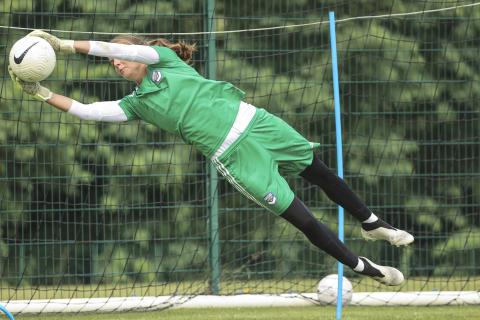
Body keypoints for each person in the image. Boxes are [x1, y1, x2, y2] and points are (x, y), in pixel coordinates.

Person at [9, 30, 414, 286]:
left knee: (319, 171)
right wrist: (43, 94)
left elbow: (108, 46)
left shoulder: (162, 60)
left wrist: (64, 45)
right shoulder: (137, 105)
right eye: (114, 61)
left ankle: (370, 222)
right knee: (303, 219)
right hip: (235, 158)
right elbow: (89, 111)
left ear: (143, 52)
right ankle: (365, 269)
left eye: (122, 55)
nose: (117, 62)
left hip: (256, 123)